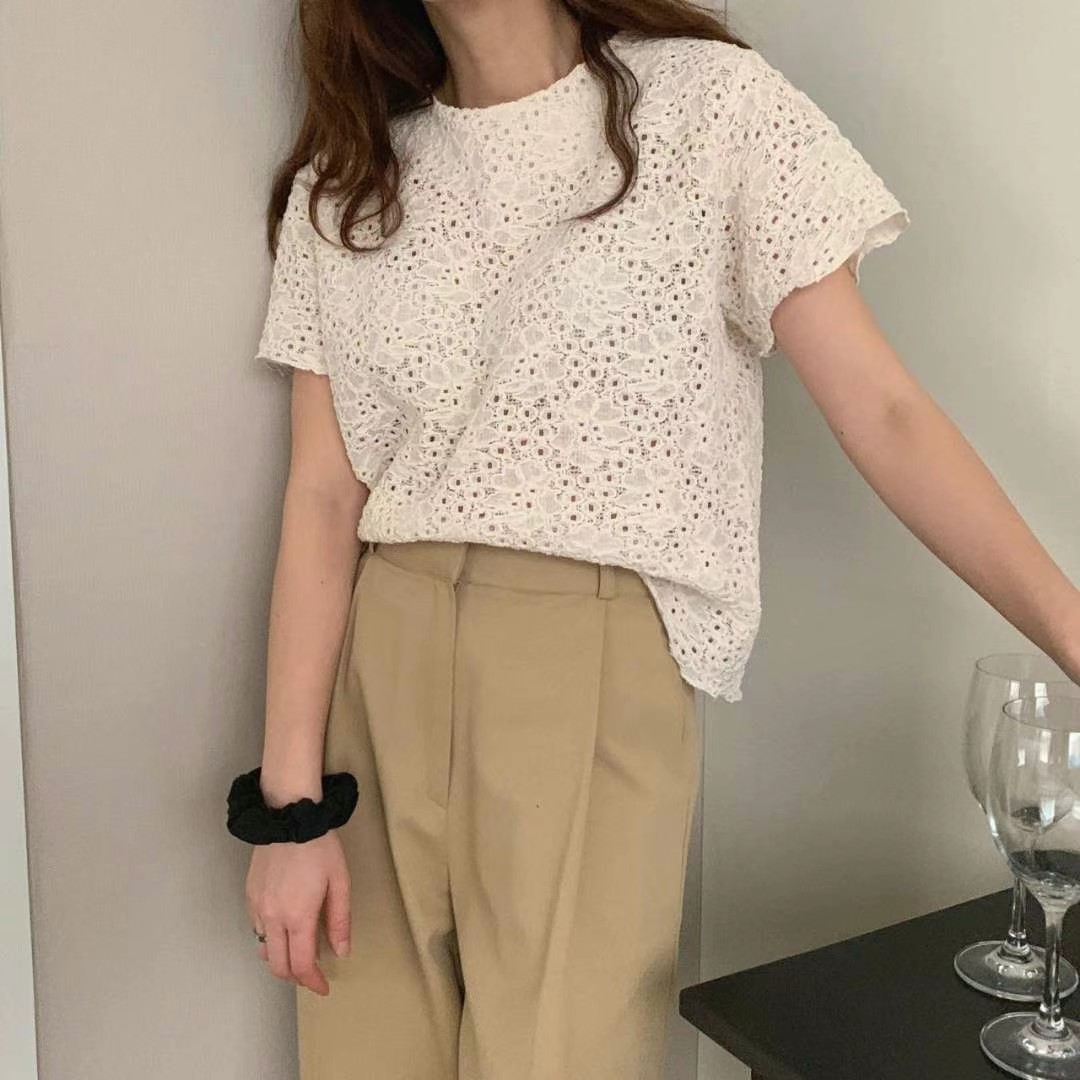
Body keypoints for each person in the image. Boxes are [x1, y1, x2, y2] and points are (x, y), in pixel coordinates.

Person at [237, 1, 1080, 1077]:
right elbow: (321, 496)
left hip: (591, 659)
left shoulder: (709, 104)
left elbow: (884, 411)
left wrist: (1071, 632)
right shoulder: (351, 180)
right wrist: (291, 815)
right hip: (380, 659)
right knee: (361, 1057)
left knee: (564, 1058)